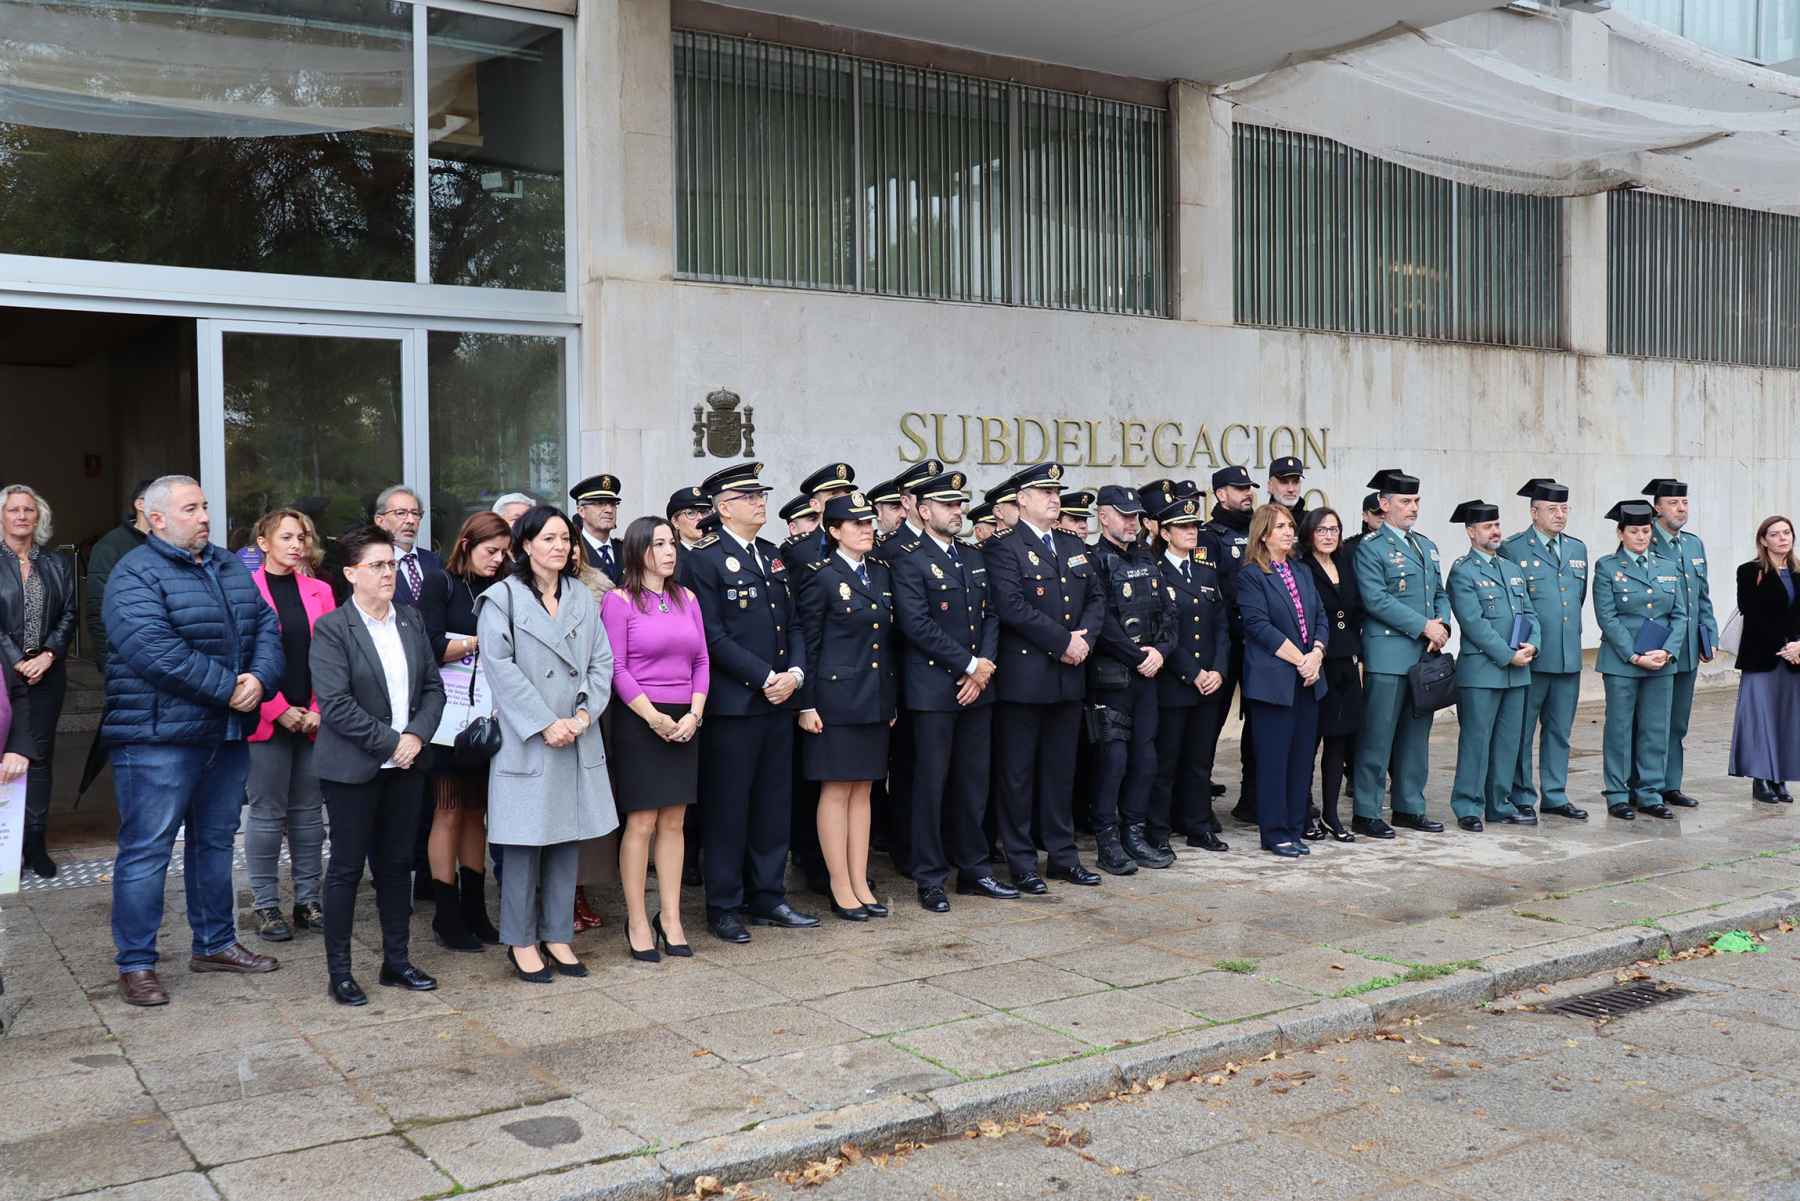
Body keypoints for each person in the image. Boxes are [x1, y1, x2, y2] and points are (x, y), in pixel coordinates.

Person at [102, 474, 284, 1006]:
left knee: (213, 843)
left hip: (224, 735)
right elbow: (152, 651)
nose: (204, 516)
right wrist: (230, 688)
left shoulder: (229, 565)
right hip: (157, 739)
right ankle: (136, 963)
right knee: (147, 851)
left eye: (204, 507)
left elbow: (265, 630)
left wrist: (259, 679)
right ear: (156, 519)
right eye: (190, 509)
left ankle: (215, 944)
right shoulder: (132, 573)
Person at [477, 505, 619, 980]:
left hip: (577, 734)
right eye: (548, 538)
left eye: (565, 538)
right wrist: (544, 722)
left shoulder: (582, 595)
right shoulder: (502, 599)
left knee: (566, 841)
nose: (559, 547)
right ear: (525, 545)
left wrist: (582, 714)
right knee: (522, 845)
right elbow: (501, 670)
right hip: (528, 740)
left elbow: (602, 662)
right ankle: (520, 941)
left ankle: (558, 935)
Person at [308, 526, 446, 1005]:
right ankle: (340, 973)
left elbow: (433, 688)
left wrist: (415, 737)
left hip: (406, 765)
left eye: (391, 564)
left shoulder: (408, 619)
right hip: (353, 768)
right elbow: (336, 704)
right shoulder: (333, 628)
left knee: (396, 865)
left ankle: (397, 961)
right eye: (378, 565)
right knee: (346, 868)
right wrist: (393, 743)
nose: (389, 573)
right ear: (351, 574)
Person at [683, 462, 817, 943]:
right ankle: (723, 904)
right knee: (728, 807)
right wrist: (764, 677)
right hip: (735, 705)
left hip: (779, 701)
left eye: (761, 494)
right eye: (749, 496)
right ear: (723, 507)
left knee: (772, 804)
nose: (761, 501)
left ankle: (768, 895)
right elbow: (711, 636)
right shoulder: (703, 560)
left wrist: (796, 675)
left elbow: (796, 624)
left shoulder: (773, 555)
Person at [890, 471, 1013, 913]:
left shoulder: (971, 556)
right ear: (923, 511)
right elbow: (915, 624)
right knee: (930, 787)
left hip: (977, 689)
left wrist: (983, 669)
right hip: (934, 691)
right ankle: (930, 877)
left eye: (960, 505)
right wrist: (968, 665)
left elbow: (993, 616)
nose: (957, 512)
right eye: (947, 506)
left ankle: (976, 870)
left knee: (973, 784)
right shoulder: (908, 558)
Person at [986, 462, 1104, 892]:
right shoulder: (1004, 547)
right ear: (1022, 500)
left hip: (1068, 677)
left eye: (1056, 492)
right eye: (1044, 492)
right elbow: (1012, 606)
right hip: (1026, 679)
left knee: (1060, 771)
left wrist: (1085, 639)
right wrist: (1063, 641)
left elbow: (1096, 597)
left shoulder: (1072, 546)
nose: (1055, 499)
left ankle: (1062, 855)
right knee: (1017, 775)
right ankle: (1021, 862)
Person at [603, 515, 708, 961]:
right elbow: (616, 666)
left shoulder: (687, 598)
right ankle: (638, 918)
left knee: (674, 823)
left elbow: (702, 658)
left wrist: (695, 714)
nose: (669, 552)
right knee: (642, 822)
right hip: (639, 718)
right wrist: (652, 717)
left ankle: (671, 916)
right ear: (637, 551)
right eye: (658, 544)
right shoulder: (619, 600)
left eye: (671, 543)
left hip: (685, 717)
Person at [795, 491, 896, 921]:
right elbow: (809, 643)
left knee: (864, 790)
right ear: (834, 531)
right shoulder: (820, 576)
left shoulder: (880, 573)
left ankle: (859, 878)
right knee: (836, 790)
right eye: (856, 524)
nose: (867, 529)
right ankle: (839, 884)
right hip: (834, 701)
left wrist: (889, 699)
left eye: (869, 523)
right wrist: (807, 703)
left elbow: (886, 644)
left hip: (873, 697)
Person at [417, 511, 513, 950]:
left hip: (489, 716)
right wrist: (478, 643)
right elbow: (430, 646)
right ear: (466, 544)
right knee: (449, 809)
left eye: (504, 552)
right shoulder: (441, 582)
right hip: (448, 717)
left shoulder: (503, 585)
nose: (498, 559)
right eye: (490, 551)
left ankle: (477, 909)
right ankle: (446, 912)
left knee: (478, 812)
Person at [245, 510, 335, 942]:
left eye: (302, 536)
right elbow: (241, 659)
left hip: (313, 719)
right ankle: (265, 906)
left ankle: (307, 901)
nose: (297, 544)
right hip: (267, 717)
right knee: (265, 815)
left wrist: (318, 706)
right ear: (263, 542)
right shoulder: (244, 590)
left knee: (308, 816)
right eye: (286, 537)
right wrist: (277, 707)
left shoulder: (320, 590)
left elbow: (331, 656)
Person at [1352, 468, 1453, 839]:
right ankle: (1366, 810)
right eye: (1405, 502)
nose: (1413, 508)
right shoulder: (1371, 548)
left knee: (1415, 736)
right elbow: (1375, 598)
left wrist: (1440, 624)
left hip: (1423, 656)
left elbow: (1439, 592)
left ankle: (1409, 806)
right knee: (1377, 738)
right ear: (1384, 504)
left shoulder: (1425, 545)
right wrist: (1423, 625)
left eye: (1416, 502)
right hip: (1388, 656)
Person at [1086, 485, 1173, 874]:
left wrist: (1161, 652)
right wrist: (1139, 656)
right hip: (1112, 678)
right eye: (1123, 515)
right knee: (1113, 761)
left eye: (1136, 516)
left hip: (1148, 677)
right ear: (1103, 516)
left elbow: (1169, 615)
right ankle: (1107, 841)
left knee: (1145, 759)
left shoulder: (1147, 558)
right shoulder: (1093, 560)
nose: (1131, 523)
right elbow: (1101, 622)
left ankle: (1134, 836)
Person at [1235, 504, 1327, 858]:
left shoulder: (1302, 570)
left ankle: (1293, 826)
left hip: (1308, 679)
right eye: (1280, 527)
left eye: (1290, 525)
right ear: (1262, 534)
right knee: (1274, 762)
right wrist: (1301, 659)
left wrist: (1316, 654)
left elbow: (1320, 615)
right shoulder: (1251, 575)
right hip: (1274, 683)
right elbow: (1258, 627)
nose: (1289, 532)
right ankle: (1274, 832)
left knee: (1302, 760)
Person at [1445, 501, 1539, 833]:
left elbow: (1530, 614)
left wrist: (1533, 644)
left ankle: (1499, 804)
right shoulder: (1463, 571)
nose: (1495, 531)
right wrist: (1507, 655)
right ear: (1471, 532)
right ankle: (1468, 805)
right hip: (1482, 673)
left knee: (1508, 741)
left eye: (1497, 525)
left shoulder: (1512, 570)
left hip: (1516, 672)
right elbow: (1474, 624)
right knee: (1476, 740)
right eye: (1487, 527)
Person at [1499, 478, 1590, 821]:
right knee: (1522, 731)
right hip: (1533, 657)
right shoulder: (1515, 548)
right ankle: (1522, 793)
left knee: (1559, 732)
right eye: (1552, 509)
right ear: (1533, 512)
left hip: (1568, 657)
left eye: (1565, 508)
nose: (1560, 515)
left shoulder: (1577, 549)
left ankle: (1554, 793)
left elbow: (1575, 602)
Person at [1593, 500, 1687, 820]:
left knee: (1655, 728)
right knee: (1619, 730)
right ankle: (1618, 793)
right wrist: (1633, 655)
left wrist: (1668, 651)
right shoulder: (1607, 567)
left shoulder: (1668, 565)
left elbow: (1680, 615)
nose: (1641, 537)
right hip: (1622, 662)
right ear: (1621, 534)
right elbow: (1607, 616)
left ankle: (1649, 792)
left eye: (1646, 531)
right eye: (1634, 531)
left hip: (1661, 661)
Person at [1, 485, 75, 879]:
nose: (22, 516)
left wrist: (47, 655)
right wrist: (17, 661)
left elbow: (69, 613)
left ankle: (35, 844)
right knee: (4, 755)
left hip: (48, 673)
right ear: (2, 516)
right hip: (2, 676)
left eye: (29, 510)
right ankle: (5, 845)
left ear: (38, 517)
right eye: (14, 510)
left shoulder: (56, 563)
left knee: (40, 758)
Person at [1149, 495, 1231, 852]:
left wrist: (1218, 671)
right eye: (1182, 527)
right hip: (1175, 683)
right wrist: (1193, 672)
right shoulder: (1155, 573)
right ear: (1165, 532)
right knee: (1166, 762)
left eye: (1194, 526)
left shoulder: (1205, 571)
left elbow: (1222, 629)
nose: (1191, 532)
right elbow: (1162, 633)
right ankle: (1158, 829)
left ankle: (1198, 824)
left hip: (1208, 685)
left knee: (1200, 761)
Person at [1646, 478, 1717, 810]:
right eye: (1673, 503)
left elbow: (1703, 596)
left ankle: (1670, 784)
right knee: (1651, 721)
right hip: (1657, 647)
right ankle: (1646, 783)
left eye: (1684, 502)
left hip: (1688, 647)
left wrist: (1709, 635)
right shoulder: (1644, 539)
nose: (1681, 508)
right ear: (1658, 507)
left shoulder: (1692, 544)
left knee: (1677, 721)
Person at [1297, 506, 1362, 842]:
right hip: (1315, 663)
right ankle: (1304, 812)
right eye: (1321, 530)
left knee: (1339, 743)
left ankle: (1332, 815)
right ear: (1310, 534)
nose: (1328, 536)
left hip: (1346, 664)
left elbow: (1356, 613)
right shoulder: (1301, 568)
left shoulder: (1346, 563)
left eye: (1334, 529)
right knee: (1309, 742)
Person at [1728, 515, 1800, 803]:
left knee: (1786, 718)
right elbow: (1752, 612)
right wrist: (1786, 645)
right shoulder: (1750, 571)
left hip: (1795, 659)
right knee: (1760, 718)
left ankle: (1780, 777)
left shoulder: (1798, 573)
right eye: (1775, 534)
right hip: (1762, 656)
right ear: (1763, 540)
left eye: (1787, 533)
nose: (1783, 538)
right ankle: (1761, 779)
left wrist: (1799, 646)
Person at [1206, 465, 1260, 828]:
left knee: (1258, 724)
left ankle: (1253, 798)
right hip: (1223, 642)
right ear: (1220, 494)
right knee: (1209, 723)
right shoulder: (1210, 536)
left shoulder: (1260, 531)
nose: (1246, 494)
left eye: (1248, 488)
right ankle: (1195, 801)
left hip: (1258, 642)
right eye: (1238, 488)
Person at [85, 478, 154, 671]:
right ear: (140, 504)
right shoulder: (110, 547)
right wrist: (107, 662)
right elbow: (98, 608)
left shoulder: (174, 543)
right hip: (126, 661)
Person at [373, 485, 440, 608]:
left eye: (415, 513)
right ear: (380, 521)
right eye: (401, 513)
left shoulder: (435, 561)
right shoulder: (370, 565)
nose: (410, 520)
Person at [785, 463, 859, 572]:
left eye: (847, 493)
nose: (844, 500)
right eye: (834, 495)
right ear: (815, 505)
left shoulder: (866, 542)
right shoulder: (799, 551)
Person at [572, 474, 624, 582]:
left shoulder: (627, 550)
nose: (609, 510)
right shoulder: (574, 553)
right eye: (600, 504)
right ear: (581, 511)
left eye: (613, 504)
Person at [1266, 455, 1308, 524]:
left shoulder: (1312, 523)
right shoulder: (1260, 522)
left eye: (1295, 482)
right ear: (1270, 486)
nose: (1291, 489)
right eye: (1284, 482)